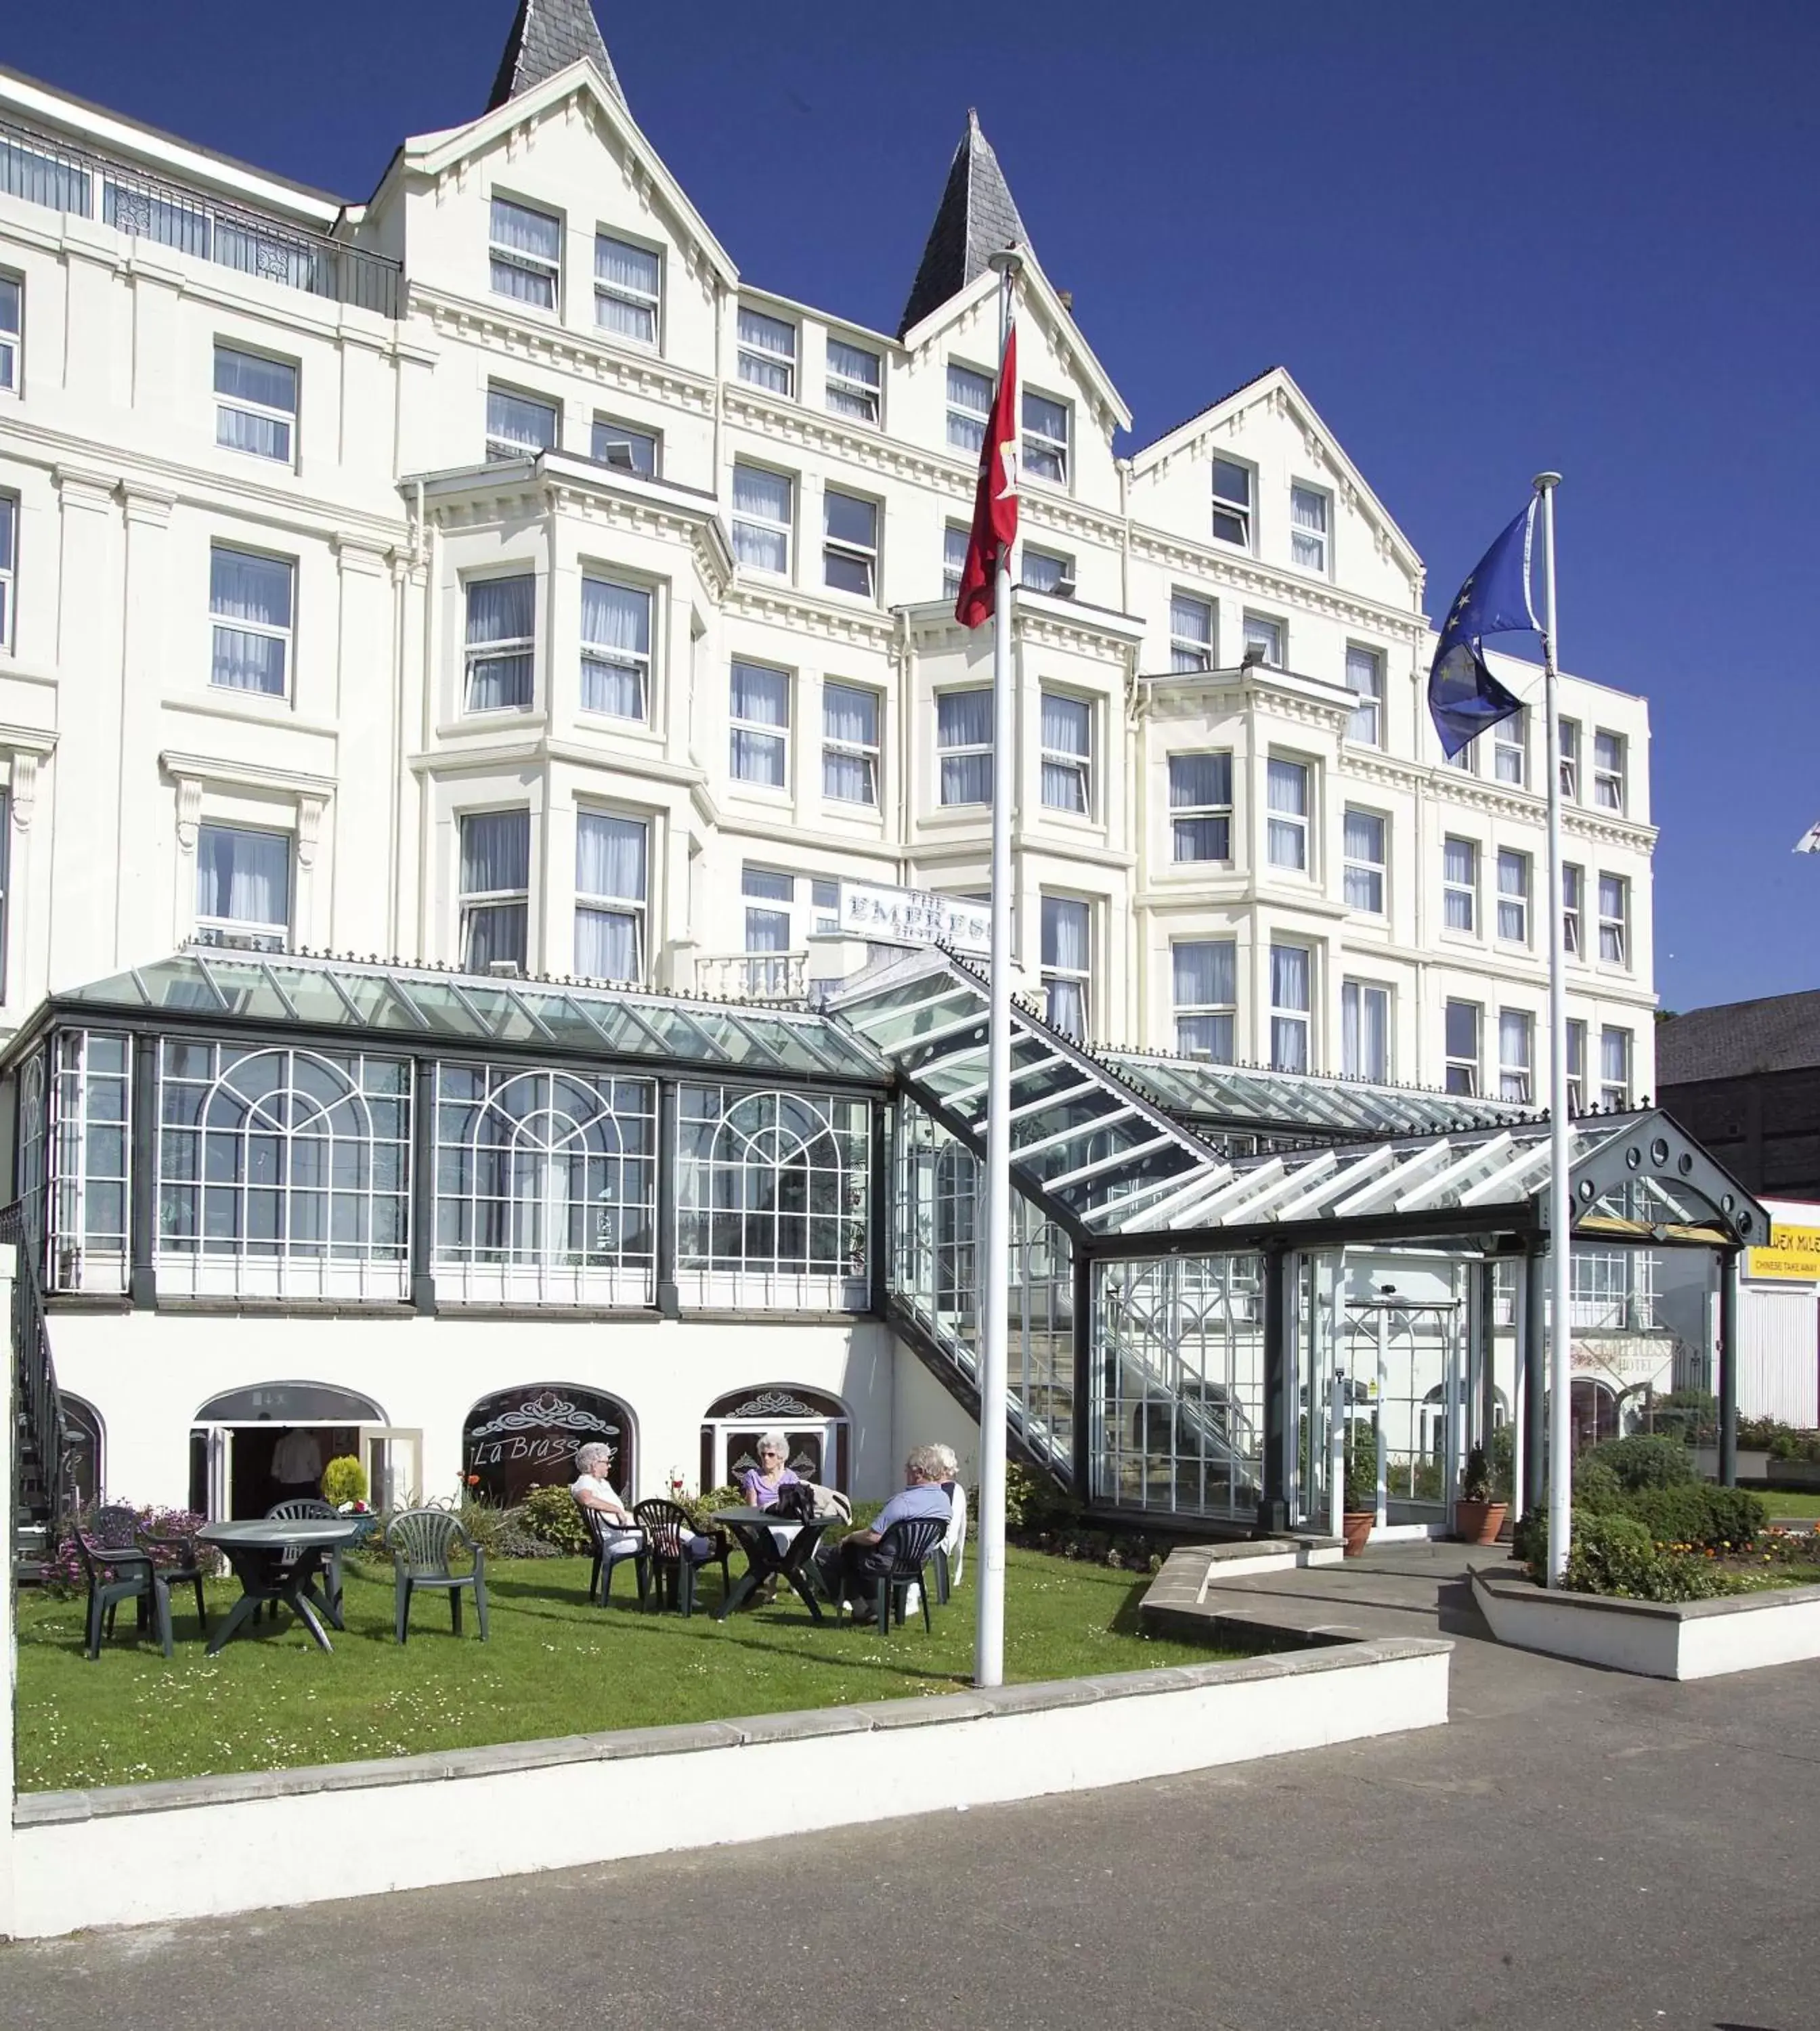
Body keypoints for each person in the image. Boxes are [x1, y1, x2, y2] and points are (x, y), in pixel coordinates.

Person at [815, 1444, 952, 1621]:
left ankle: (862, 1610)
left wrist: (850, 1536)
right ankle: (876, 1607)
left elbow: (873, 1536)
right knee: (854, 1557)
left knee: (828, 1555)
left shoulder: (903, 1502)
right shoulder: (944, 1501)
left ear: (919, 1472)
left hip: (885, 1563)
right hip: (916, 1563)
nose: (905, 1473)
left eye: (907, 1470)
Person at [569, 1442, 643, 1559]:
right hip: (616, 1539)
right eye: (607, 1462)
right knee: (672, 1536)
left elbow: (621, 1514)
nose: (609, 1466)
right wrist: (616, 1510)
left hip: (625, 1533)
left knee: (672, 1533)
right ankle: (674, 1575)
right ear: (594, 1464)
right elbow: (586, 1500)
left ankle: (672, 1574)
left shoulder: (603, 1483)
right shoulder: (585, 1480)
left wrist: (639, 1518)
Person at [737, 1432, 800, 1510]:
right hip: (761, 1520)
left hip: (784, 1521)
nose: (766, 1458)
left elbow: (795, 1506)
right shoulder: (753, 1476)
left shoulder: (791, 1477)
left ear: (781, 1458)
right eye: (763, 1454)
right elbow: (752, 1509)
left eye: (771, 1455)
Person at [271, 1426, 324, 1502]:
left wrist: (285, 1474)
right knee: (305, 1513)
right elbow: (317, 1470)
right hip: (306, 1487)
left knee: (287, 1513)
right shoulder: (311, 1441)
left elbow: (274, 1472)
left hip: (285, 1488)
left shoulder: (282, 1442)